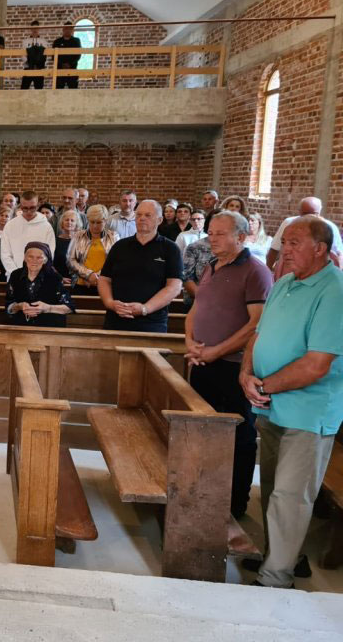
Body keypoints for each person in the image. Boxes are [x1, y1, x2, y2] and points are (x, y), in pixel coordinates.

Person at [239, 216, 343, 589]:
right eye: (285, 242)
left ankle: (275, 578)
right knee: (271, 487)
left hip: (309, 411)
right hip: (271, 405)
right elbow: (258, 333)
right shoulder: (284, 282)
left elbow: (317, 364)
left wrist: (264, 385)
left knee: (291, 494)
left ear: (321, 248)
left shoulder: (335, 290)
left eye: (295, 242)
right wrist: (245, 373)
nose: (285, 250)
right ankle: (284, 556)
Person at [185, 211, 272, 520]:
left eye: (220, 233)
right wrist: (190, 341)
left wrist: (216, 352)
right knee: (202, 430)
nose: (212, 238)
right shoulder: (211, 266)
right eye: (210, 232)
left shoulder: (255, 271)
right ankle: (204, 492)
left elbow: (255, 325)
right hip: (203, 362)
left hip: (235, 367)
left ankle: (235, 502)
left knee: (239, 436)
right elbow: (197, 308)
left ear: (241, 236)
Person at [98, 199, 184, 332]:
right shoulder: (120, 246)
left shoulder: (170, 248)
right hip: (116, 320)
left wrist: (145, 308)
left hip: (152, 323)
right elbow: (104, 279)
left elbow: (174, 287)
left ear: (160, 220)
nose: (142, 218)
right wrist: (110, 303)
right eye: (138, 215)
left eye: (148, 215)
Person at [267, 196, 342, 274]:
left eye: (314, 213)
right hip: (289, 270)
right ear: (299, 211)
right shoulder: (289, 223)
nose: (309, 217)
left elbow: (338, 254)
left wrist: (338, 274)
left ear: (319, 212)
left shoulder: (329, 227)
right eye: (305, 213)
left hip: (318, 272)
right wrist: (268, 271)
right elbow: (274, 249)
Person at [6, 242, 75, 327]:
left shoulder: (55, 278)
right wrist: (19, 306)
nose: (34, 261)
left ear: (45, 260)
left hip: (48, 328)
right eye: (30, 257)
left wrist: (48, 308)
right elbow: (8, 305)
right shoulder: (15, 275)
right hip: (21, 328)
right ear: (24, 258)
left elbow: (69, 307)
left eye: (39, 257)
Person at [0, 191, 56, 278]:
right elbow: (5, 254)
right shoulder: (10, 225)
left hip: (39, 276)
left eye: (32, 208)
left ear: (38, 205)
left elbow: (49, 254)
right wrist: (16, 273)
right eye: (25, 208)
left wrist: (35, 273)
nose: (28, 212)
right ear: (20, 206)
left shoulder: (46, 227)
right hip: (15, 276)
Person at [68, 204, 118, 294]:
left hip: (105, 284)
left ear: (105, 221)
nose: (95, 226)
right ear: (88, 220)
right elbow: (70, 260)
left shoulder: (113, 237)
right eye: (92, 222)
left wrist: (97, 277)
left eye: (99, 222)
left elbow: (116, 261)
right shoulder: (78, 236)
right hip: (81, 284)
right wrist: (88, 275)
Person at [182, 235, 214, 311]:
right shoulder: (195, 247)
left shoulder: (238, 249)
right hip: (198, 302)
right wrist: (204, 299)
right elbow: (186, 277)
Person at [53, 21, 82, 89]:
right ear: (63, 29)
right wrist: (62, 64)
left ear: (72, 30)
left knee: (73, 90)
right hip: (59, 69)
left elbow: (78, 55)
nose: (68, 30)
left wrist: (70, 64)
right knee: (58, 91)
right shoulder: (57, 41)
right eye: (66, 28)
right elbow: (53, 56)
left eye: (70, 28)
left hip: (72, 68)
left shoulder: (76, 41)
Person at [54, 209, 81, 282]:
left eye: (72, 220)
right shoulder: (55, 241)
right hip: (59, 281)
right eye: (66, 220)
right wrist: (60, 278)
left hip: (79, 281)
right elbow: (50, 263)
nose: (69, 222)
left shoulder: (81, 241)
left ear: (76, 224)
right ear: (62, 223)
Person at [21, 20, 47, 90]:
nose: (35, 30)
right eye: (33, 28)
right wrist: (29, 63)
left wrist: (38, 64)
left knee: (39, 89)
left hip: (39, 68)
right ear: (31, 29)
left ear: (39, 29)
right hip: (28, 67)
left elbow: (44, 55)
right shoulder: (25, 41)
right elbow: (23, 55)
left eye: (36, 28)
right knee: (24, 89)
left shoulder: (43, 41)